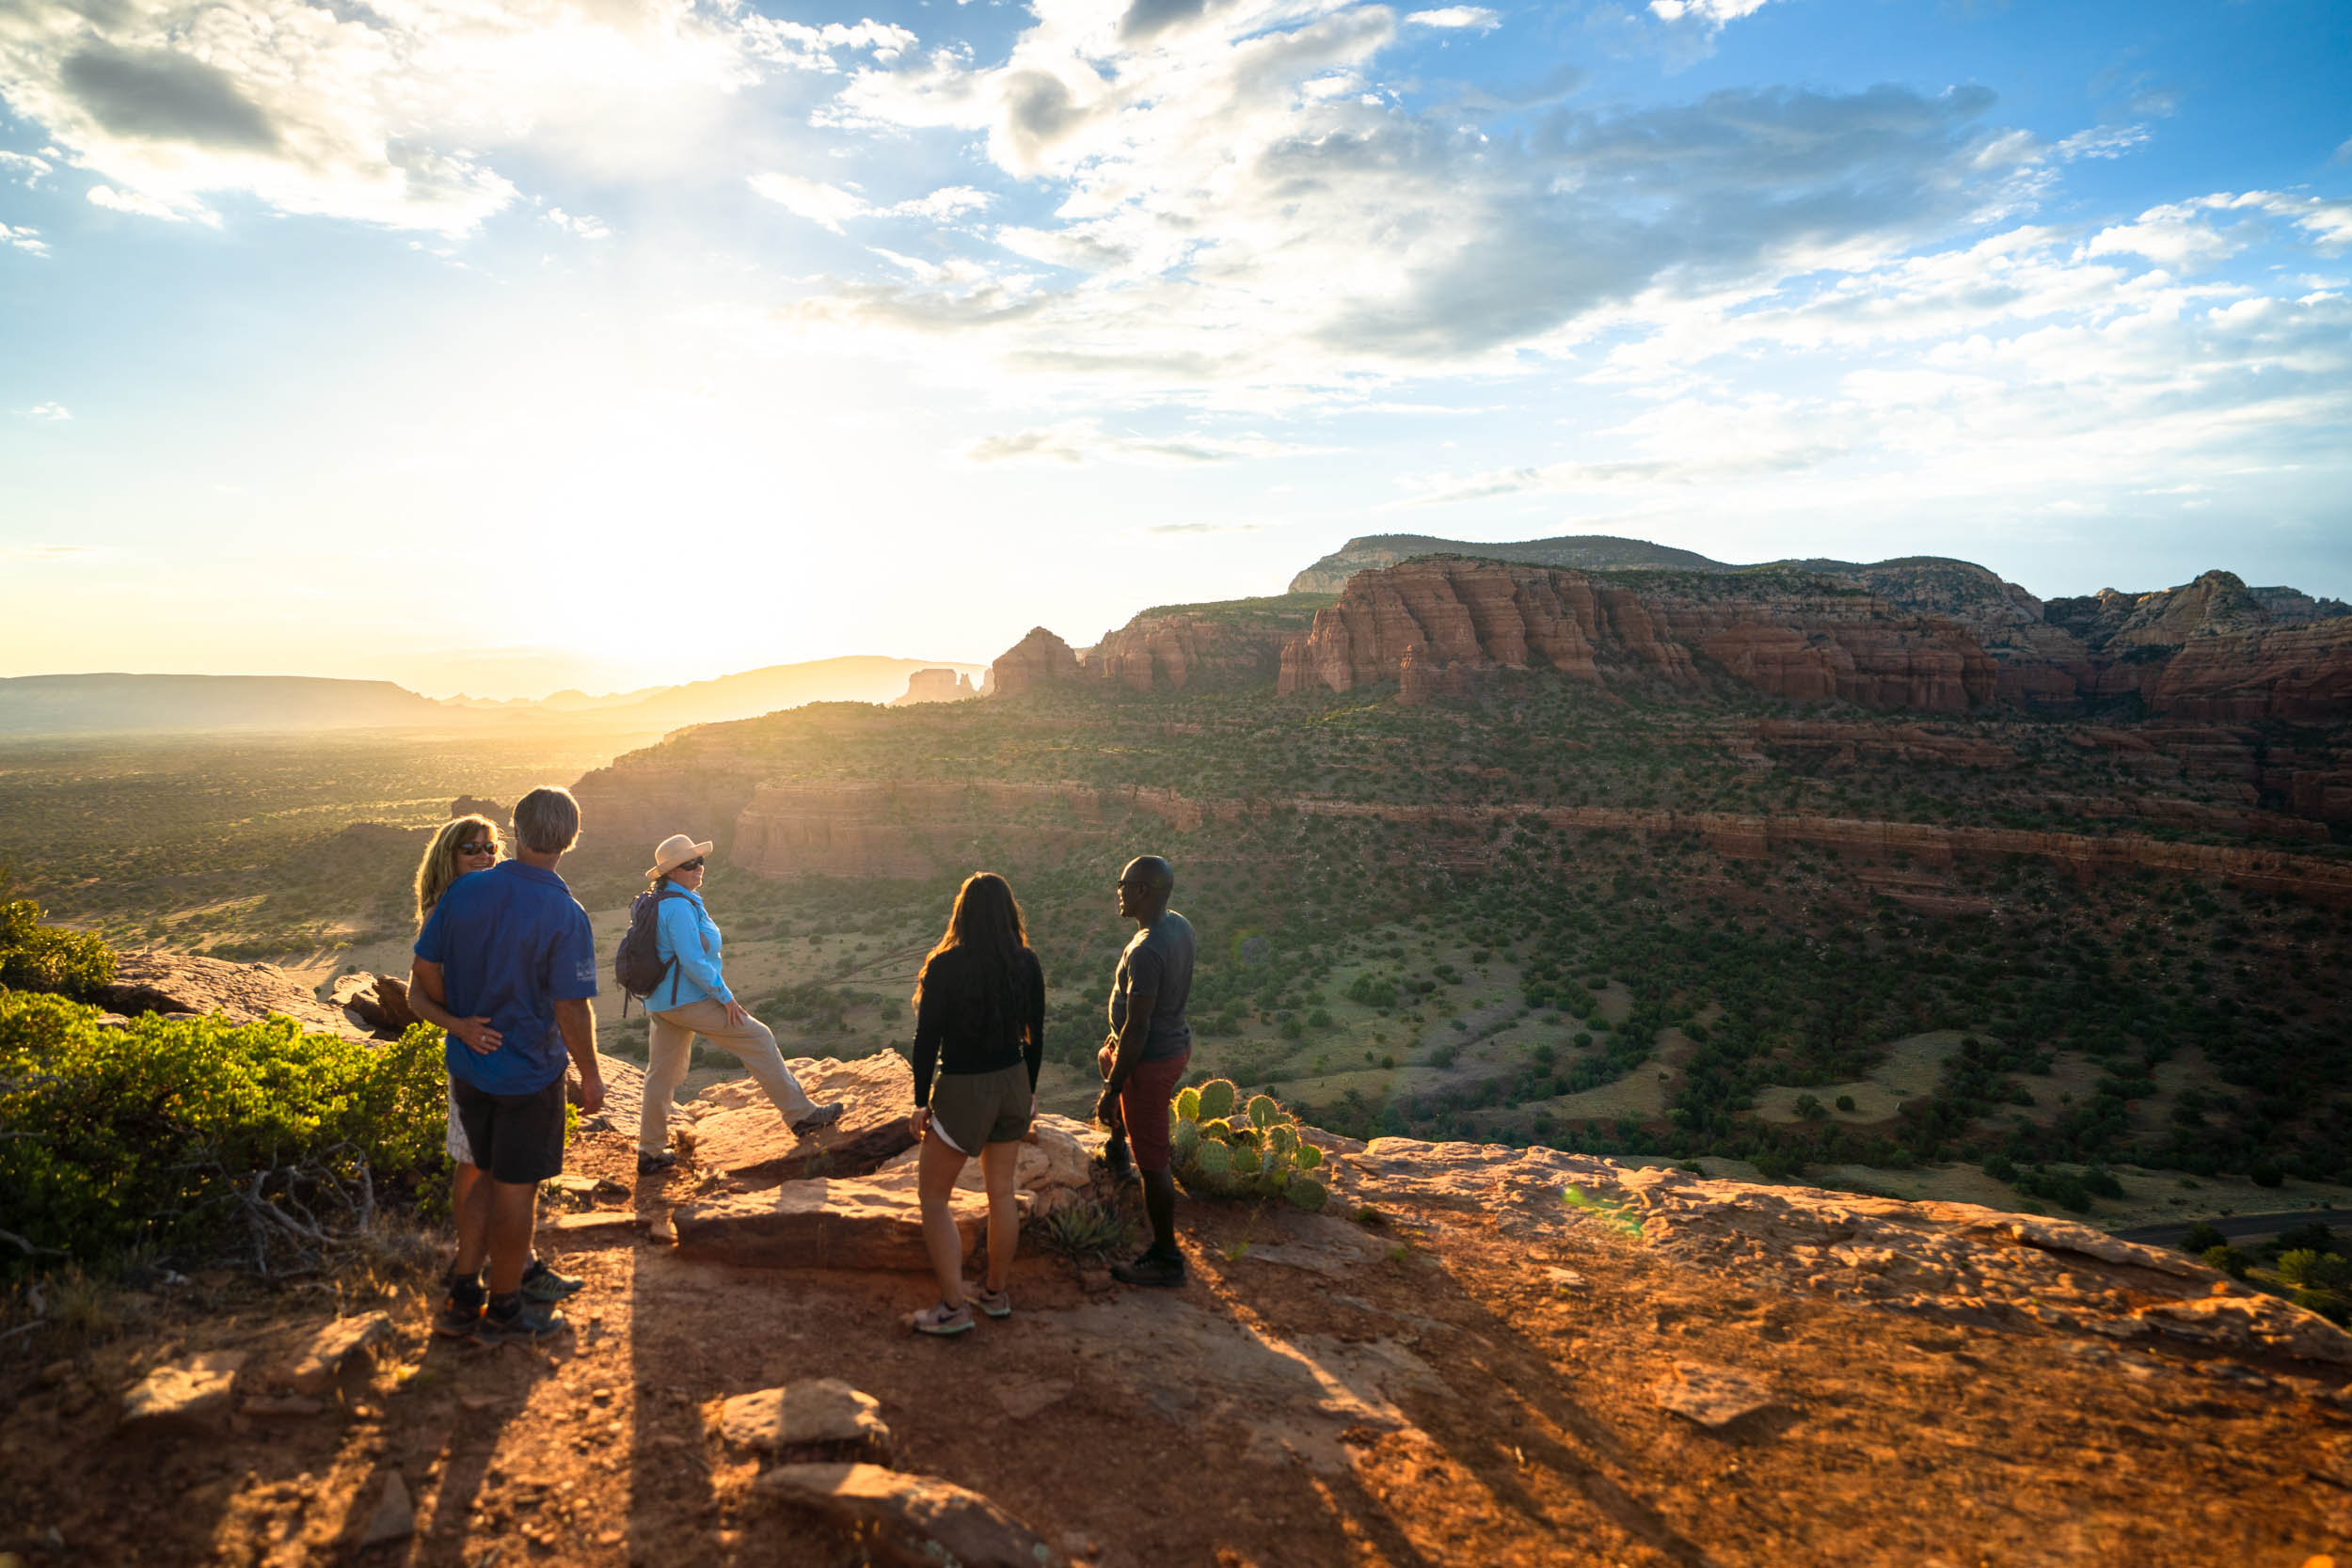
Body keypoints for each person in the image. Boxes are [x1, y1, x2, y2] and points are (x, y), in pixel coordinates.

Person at [411, 786, 604, 1342]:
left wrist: (465, 1022)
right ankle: (505, 1309)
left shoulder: (465, 892)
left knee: (475, 1175)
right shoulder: (565, 913)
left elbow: (424, 970)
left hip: (471, 1068)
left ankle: (462, 1293)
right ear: (569, 840)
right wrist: (589, 1073)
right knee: (517, 1190)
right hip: (528, 1073)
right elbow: (570, 1006)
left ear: (515, 832)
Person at [636, 832, 841, 1177]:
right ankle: (801, 1116)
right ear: (671, 872)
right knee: (757, 1037)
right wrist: (725, 997)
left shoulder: (673, 900)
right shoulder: (678, 907)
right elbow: (692, 960)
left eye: (699, 861)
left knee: (662, 1073)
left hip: (663, 1002)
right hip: (687, 999)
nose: (698, 868)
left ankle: (650, 1152)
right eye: (689, 864)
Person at [904, 873, 1046, 1336]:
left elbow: (926, 1041)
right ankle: (995, 1293)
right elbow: (1035, 1038)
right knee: (1000, 1192)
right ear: (1009, 914)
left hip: (966, 1087)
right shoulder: (1025, 963)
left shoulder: (945, 966)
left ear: (961, 912)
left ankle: (952, 1308)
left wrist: (921, 1102)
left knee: (932, 1197)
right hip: (1011, 1084)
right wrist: (1027, 1093)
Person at [1094, 855, 1196, 1288]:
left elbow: (1138, 1026)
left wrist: (1114, 1087)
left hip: (1149, 1060)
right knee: (1106, 1054)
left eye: (1124, 884)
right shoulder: (1179, 925)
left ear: (1143, 892)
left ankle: (1166, 1257)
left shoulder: (1147, 949)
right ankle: (1118, 1152)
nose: (1118, 890)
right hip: (1168, 1044)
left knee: (1153, 1159)